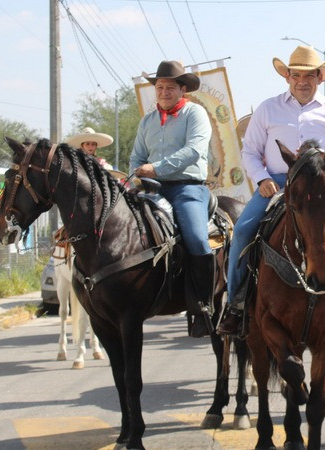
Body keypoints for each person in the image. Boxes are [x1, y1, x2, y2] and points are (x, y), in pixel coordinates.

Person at [217, 45, 325, 337]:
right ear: (287, 77)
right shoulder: (268, 108)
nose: (302, 81)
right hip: (277, 181)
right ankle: (235, 305)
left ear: (320, 77)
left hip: (323, 182)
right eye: (296, 75)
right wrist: (262, 178)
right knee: (241, 231)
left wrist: (321, 164)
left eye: (309, 75)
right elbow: (250, 151)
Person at [129, 60, 214, 338]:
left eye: (170, 87)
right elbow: (137, 156)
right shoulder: (148, 120)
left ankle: (203, 306)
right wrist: (137, 174)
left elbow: (193, 151)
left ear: (183, 89)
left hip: (187, 188)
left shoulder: (195, 114)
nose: (164, 91)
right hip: (151, 188)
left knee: (198, 239)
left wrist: (157, 167)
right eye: (160, 87)